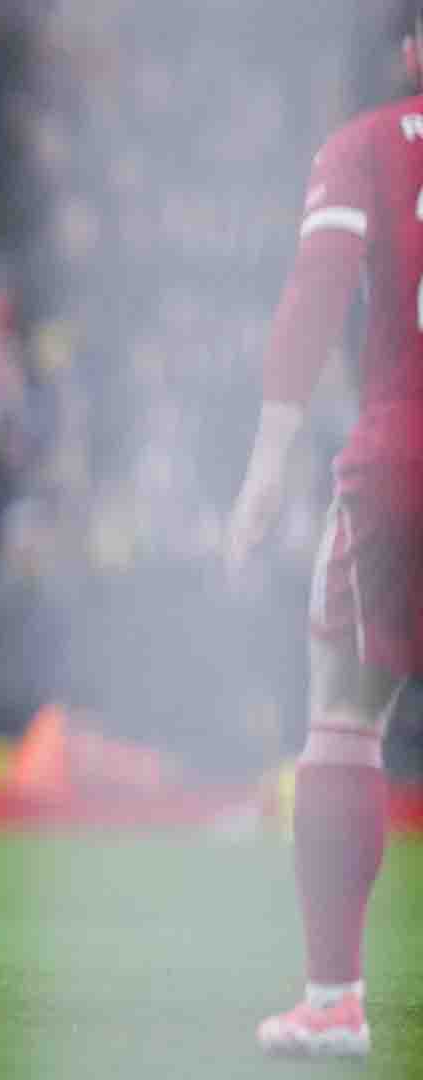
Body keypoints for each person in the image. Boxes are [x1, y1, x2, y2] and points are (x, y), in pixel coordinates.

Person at [225, 10, 423, 1059]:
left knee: (345, 721)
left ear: (412, 53)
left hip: (402, 464)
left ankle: (336, 999)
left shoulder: (366, 145)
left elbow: (314, 298)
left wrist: (265, 469)